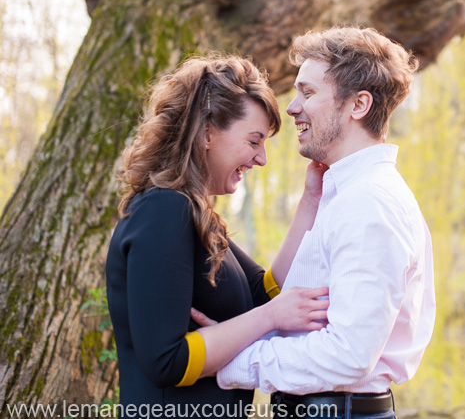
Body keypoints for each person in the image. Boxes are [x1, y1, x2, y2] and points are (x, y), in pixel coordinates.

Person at [199, 26, 437, 419]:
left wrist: (228, 361)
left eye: (307, 93)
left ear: (358, 105)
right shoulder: (344, 193)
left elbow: (348, 354)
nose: (291, 107)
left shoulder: (369, 202)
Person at [105, 54, 330, 418]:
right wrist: (269, 320)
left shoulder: (194, 214)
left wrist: (311, 198)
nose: (262, 159)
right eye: (254, 141)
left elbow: (265, 292)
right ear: (207, 132)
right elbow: (166, 361)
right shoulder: (163, 210)